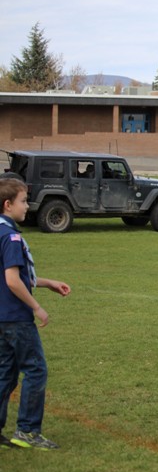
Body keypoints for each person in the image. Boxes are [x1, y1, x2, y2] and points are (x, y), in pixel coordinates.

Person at [0, 178, 71, 450]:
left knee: (6, 372)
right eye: (23, 201)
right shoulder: (11, 236)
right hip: (16, 316)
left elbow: (16, 275)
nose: (27, 206)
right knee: (36, 370)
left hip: (2, 316)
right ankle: (27, 430)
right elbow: (12, 280)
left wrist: (47, 282)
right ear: (8, 205)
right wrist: (36, 306)